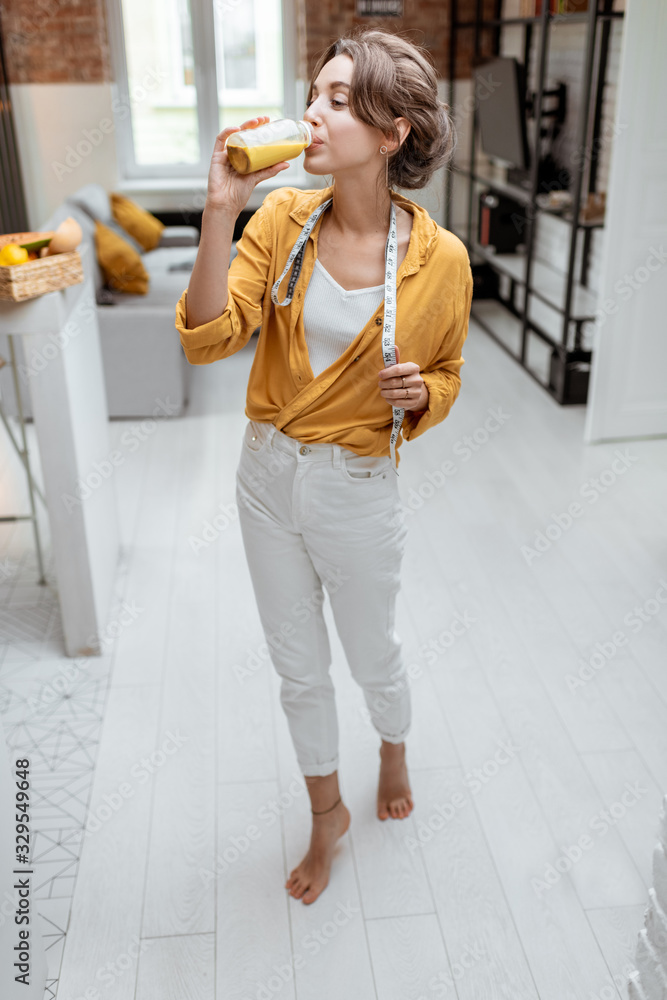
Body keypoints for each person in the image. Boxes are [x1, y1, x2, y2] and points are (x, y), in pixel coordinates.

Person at [175, 27, 473, 905]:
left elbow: (449, 372)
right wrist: (221, 210)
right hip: (265, 478)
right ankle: (324, 815)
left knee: (373, 655)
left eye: (336, 101)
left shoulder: (440, 260)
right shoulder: (278, 219)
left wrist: (421, 393)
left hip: (356, 488)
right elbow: (207, 339)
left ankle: (392, 742)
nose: (310, 111)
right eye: (314, 92)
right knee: (297, 668)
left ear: (392, 134)